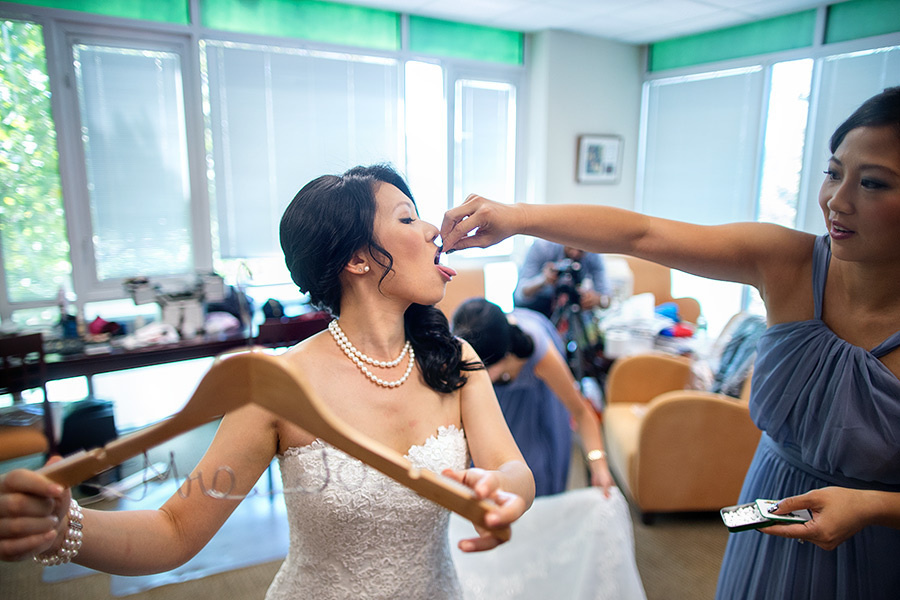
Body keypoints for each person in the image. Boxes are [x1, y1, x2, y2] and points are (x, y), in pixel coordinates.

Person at [439, 87, 900, 599]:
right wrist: (519, 218)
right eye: (833, 173)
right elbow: (642, 234)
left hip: (878, 543)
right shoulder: (788, 262)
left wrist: (876, 507)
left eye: (874, 183)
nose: (838, 201)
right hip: (771, 509)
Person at [0, 164, 535, 599]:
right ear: (356, 258)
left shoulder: (453, 359)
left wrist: (499, 490)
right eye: (407, 217)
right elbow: (176, 530)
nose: (431, 230)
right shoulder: (277, 385)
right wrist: (66, 527)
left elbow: (515, 471)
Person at [451, 298, 613, 497]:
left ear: (505, 356)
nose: (471, 376)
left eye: (479, 369)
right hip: (496, 409)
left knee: (535, 471)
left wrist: (599, 466)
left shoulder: (539, 353)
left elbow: (581, 411)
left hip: (537, 413)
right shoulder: (464, 349)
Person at [514, 240, 610, 318]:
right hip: (537, 309)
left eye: (581, 250)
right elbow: (520, 293)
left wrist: (597, 300)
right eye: (571, 247)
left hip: (570, 309)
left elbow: (607, 297)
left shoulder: (593, 254)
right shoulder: (542, 247)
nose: (575, 253)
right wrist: (543, 280)